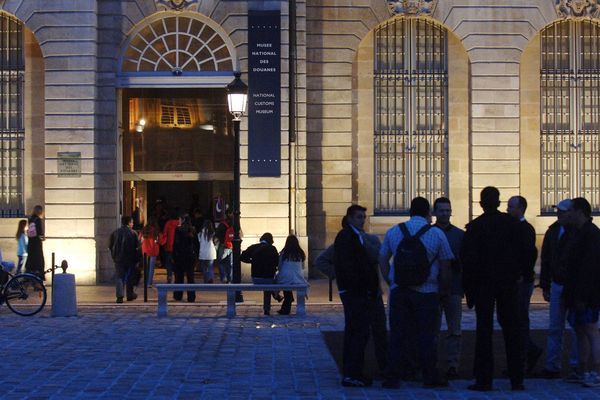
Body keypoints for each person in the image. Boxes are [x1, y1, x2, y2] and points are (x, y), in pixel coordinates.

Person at [379, 197, 453, 389]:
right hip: (427, 291)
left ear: (410, 211)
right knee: (426, 336)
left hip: (400, 291)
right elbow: (446, 265)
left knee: (397, 335)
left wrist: (391, 281)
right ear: (429, 212)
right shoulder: (436, 234)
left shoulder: (394, 231)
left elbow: (382, 259)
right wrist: (443, 290)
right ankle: (429, 375)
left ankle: (393, 376)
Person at [462, 186, 525, 391]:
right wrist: (517, 276)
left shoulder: (475, 227)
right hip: (507, 284)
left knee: (484, 331)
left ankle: (484, 379)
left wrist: (469, 292)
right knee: (512, 330)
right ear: (499, 203)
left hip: (483, 285)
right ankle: (517, 379)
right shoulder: (512, 225)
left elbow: (468, 262)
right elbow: (523, 253)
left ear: (481, 204)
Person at [333, 204, 386, 387]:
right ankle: (352, 373)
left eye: (363, 217)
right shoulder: (347, 236)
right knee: (357, 333)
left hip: (358, 292)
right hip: (356, 294)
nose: (362, 220)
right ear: (349, 218)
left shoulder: (356, 236)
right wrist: (360, 286)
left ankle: (353, 372)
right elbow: (349, 266)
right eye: (358, 217)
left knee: (358, 333)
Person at [539, 199, 579, 379]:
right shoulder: (553, 231)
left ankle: (576, 364)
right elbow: (546, 259)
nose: (559, 214)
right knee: (555, 327)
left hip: (572, 285)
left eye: (563, 211)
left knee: (576, 328)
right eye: (559, 211)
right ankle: (552, 365)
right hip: (557, 284)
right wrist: (545, 284)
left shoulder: (579, 232)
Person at [562, 197, 600, 387]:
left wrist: (583, 296)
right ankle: (583, 370)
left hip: (587, 293)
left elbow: (590, 268)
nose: (567, 213)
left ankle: (595, 371)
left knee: (591, 330)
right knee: (580, 331)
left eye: (570, 210)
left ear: (579, 211)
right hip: (576, 291)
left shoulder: (591, 234)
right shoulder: (576, 232)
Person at [507, 195, 543, 374]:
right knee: (516, 319)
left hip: (521, 281)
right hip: (518, 280)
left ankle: (526, 353)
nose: (508, 209)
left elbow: (528, 255)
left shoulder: (525, 229)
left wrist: (521, 274)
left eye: (511, 206)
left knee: (519, 319)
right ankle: (524, 354)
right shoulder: (517, 227)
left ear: (520, 208)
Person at [432, 197, 465, 380]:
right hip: (433, 289)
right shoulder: (429, 233)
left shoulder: (460, 235)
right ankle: (433, 363)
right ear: (435, 212)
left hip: (454, 288)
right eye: (442, 210)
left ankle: (453, 364)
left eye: (447, 210)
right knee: (432, 329)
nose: (445, 213)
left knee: (455, 329)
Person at [241, 232, 280, 315]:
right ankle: (267, 308)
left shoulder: (253, 247)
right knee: (269, 286)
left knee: (269, 284)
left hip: (256, 278)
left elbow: (242, 257)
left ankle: (276, 296)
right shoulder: (272, 249)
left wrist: (252, 261)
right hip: (268, 277)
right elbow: (277, 262)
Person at [109, 216, 139, 303]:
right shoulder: (133, 233)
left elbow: (110, 246)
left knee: (119, 277)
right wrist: (137, 259)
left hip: (118, 258)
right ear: (129, 223)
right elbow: (136, 247)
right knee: (130, 277)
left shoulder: (115, 233)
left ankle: (120, 296)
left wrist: (114, 256)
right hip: (130, 258)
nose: (133, 224)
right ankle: (129, 294)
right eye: (132, 222)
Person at [275, 235, 309, 315]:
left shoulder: (284, 253)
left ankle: (285, 307)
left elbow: (279, 267)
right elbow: (303, 267)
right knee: (288, 284)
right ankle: (287, 304)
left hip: (285, 277)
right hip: (298, 278)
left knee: (282, 283)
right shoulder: (300, 253)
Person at [172, 215, 197, 302]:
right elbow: (196, 244)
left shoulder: (178, 230)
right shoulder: (192, 230)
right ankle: (191, 296)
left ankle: (178, 295)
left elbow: (175, 244)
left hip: (180, 256)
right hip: (190, 256)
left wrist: (174, 255)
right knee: (190, 277)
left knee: (179, 277)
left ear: (182, 220)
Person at [25, 205, 45, 280]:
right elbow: (40, 233)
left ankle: (28, 278)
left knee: (31, 262)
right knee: (39, 263)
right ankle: (38, 281)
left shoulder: (30, 219)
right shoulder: (38, 220)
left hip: (31, 245)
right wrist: (43, 237)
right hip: (37, 245)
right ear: (40, 211)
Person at [140, 218, 162, 287]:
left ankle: (145, 282)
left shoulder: (143, 230)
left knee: (146, 267)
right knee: (151, 268)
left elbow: (140, 240)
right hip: (153, 250)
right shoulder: (156, 231)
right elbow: (159, 241)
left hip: (145, 250)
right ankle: (149, 283)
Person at [162, 209, 179, 283]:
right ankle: (177, 277)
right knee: (177, 262)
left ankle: (169, 276)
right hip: (178, 247)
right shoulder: (179, 223)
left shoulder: (168, 223)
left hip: (169, 246)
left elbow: (165, 234)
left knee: (168, 262)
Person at [215, 215, 233, 283]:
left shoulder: (222, 224)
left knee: (221, 262)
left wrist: (221, 241)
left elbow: (217, 234)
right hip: (232, 246)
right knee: (230, 264)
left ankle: (224, 277)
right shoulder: (235, 224)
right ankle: (230, 278)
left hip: (224, 246)